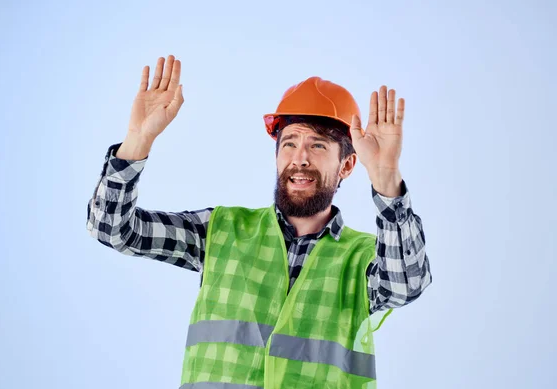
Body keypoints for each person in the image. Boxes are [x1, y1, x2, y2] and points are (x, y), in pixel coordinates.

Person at [87, 55, 432, 388]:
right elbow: (113, 228)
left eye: (318, 146)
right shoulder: (222, 230)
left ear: (346, 166)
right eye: (290, 143)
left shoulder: (363, 260)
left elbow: (407, 284)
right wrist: (138, 140)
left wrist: (386, 178)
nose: (300, 158)